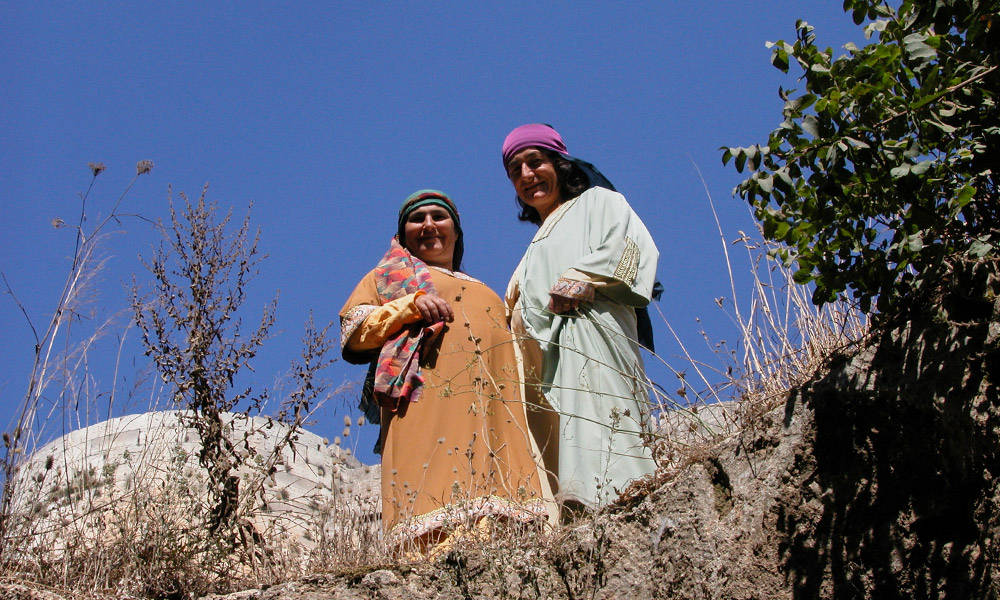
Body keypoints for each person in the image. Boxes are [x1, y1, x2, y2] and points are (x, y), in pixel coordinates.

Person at [339, 189, 546, 550]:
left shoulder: (487, 290)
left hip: (498, 410)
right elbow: (354, 332)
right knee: (432, 512)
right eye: (417, 219)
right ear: (403, 236)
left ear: (456, 230)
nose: (429, 225)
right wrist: (410, 306)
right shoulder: (385, 278)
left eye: (439, 216)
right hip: (423, 405)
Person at [501, 124, 659, 513]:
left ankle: (626, 492)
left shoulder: (598, 201)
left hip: (590, 332)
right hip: (543, 361)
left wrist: (584, 278)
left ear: (559, 163)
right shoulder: (533, 247)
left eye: (535, 162)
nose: (526, 175)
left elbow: (631, 246)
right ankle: (575, 509)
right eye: (515, 170)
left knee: (602, 410)